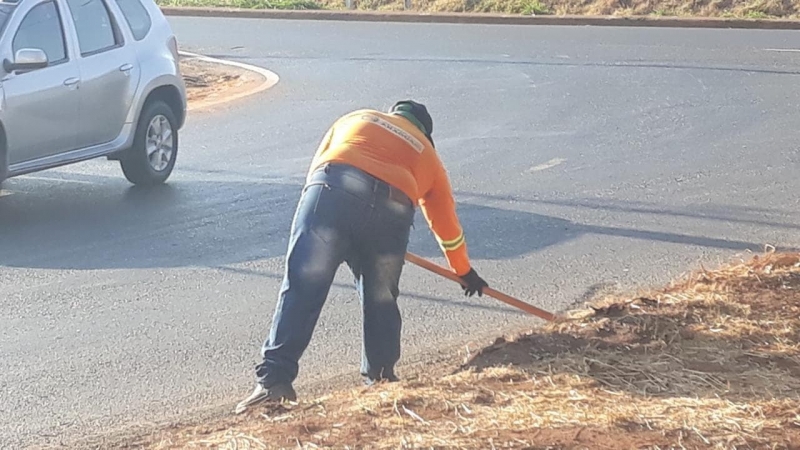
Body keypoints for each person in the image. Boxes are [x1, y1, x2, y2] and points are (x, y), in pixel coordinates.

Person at [235, 100, 489, 414]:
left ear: (394, 114)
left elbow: (317, 169)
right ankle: (381, 383)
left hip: (333, 189)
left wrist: (329, 218)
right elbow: (445, 223)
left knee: (303, 283)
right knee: (380, 297)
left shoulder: (356, 117)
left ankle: (274, 382)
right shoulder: (428, 154)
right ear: (426, 132)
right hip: (392, 208)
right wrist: (464, 270)